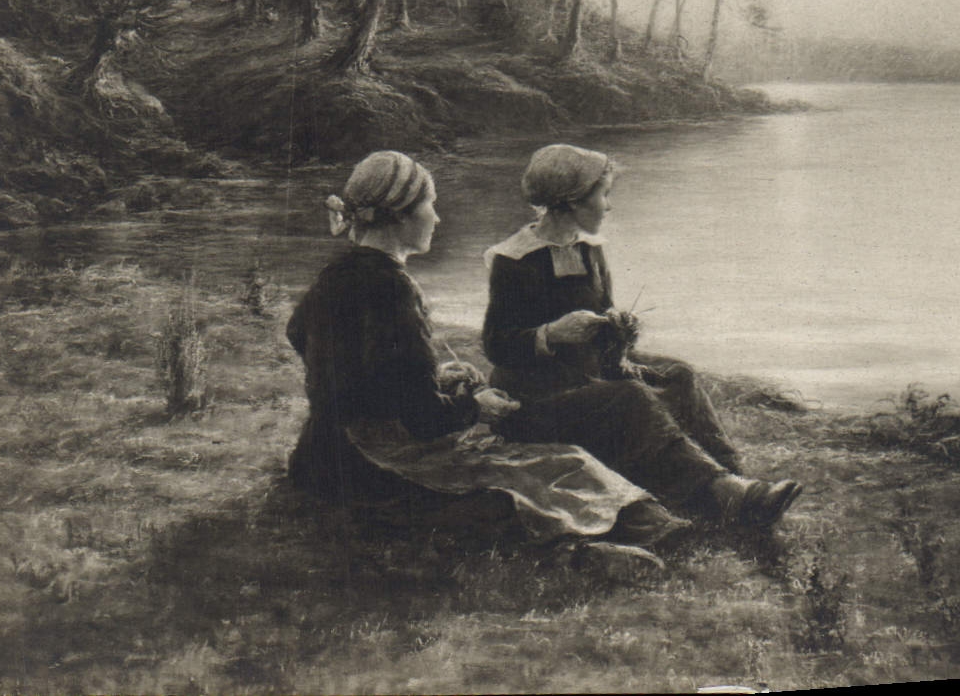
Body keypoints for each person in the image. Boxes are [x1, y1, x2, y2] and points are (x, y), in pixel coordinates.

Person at [286, 150, 684, 550]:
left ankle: (628, 529)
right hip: (375, 460)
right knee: (558, 466)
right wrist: (478, 407)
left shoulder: (336, 275)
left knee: (553, 465)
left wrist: (430, 379)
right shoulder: (392, 287)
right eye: (430, 205)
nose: (437, 218)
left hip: (321, 451)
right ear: (401, 216)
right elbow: (424, 420)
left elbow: (302, 335)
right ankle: (646, 534)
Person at [482, 143, 802, 528]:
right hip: (534, 398)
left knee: (678, 374)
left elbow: (603, 316)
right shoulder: (513, 259)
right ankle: (724, 493)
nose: (609, 206)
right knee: (630, 396)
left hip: (588, 374)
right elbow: (497, 345)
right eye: (604, 195)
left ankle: (732, 479)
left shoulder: (589, 250)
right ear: (570, 201)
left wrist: (619, 329)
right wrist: (552, 333)